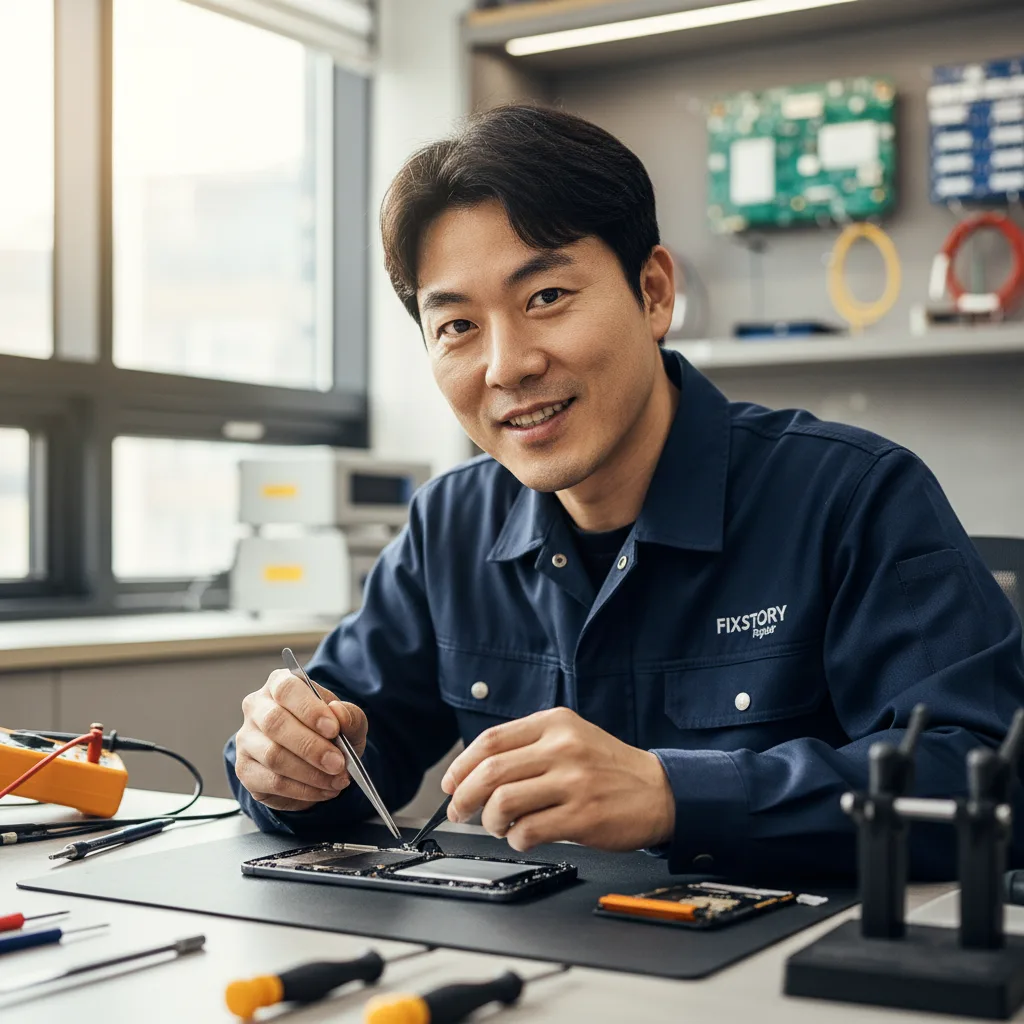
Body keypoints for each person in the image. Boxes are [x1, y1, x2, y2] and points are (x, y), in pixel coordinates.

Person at [225, 105, 1024, 881]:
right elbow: (342, 741)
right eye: (458, 326)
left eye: (545, 298)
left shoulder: (853, 496)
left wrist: (676, 795)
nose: (507, 365)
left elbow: (991, 776)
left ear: (652, 293)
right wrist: (287, 766)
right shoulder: (451, 523)